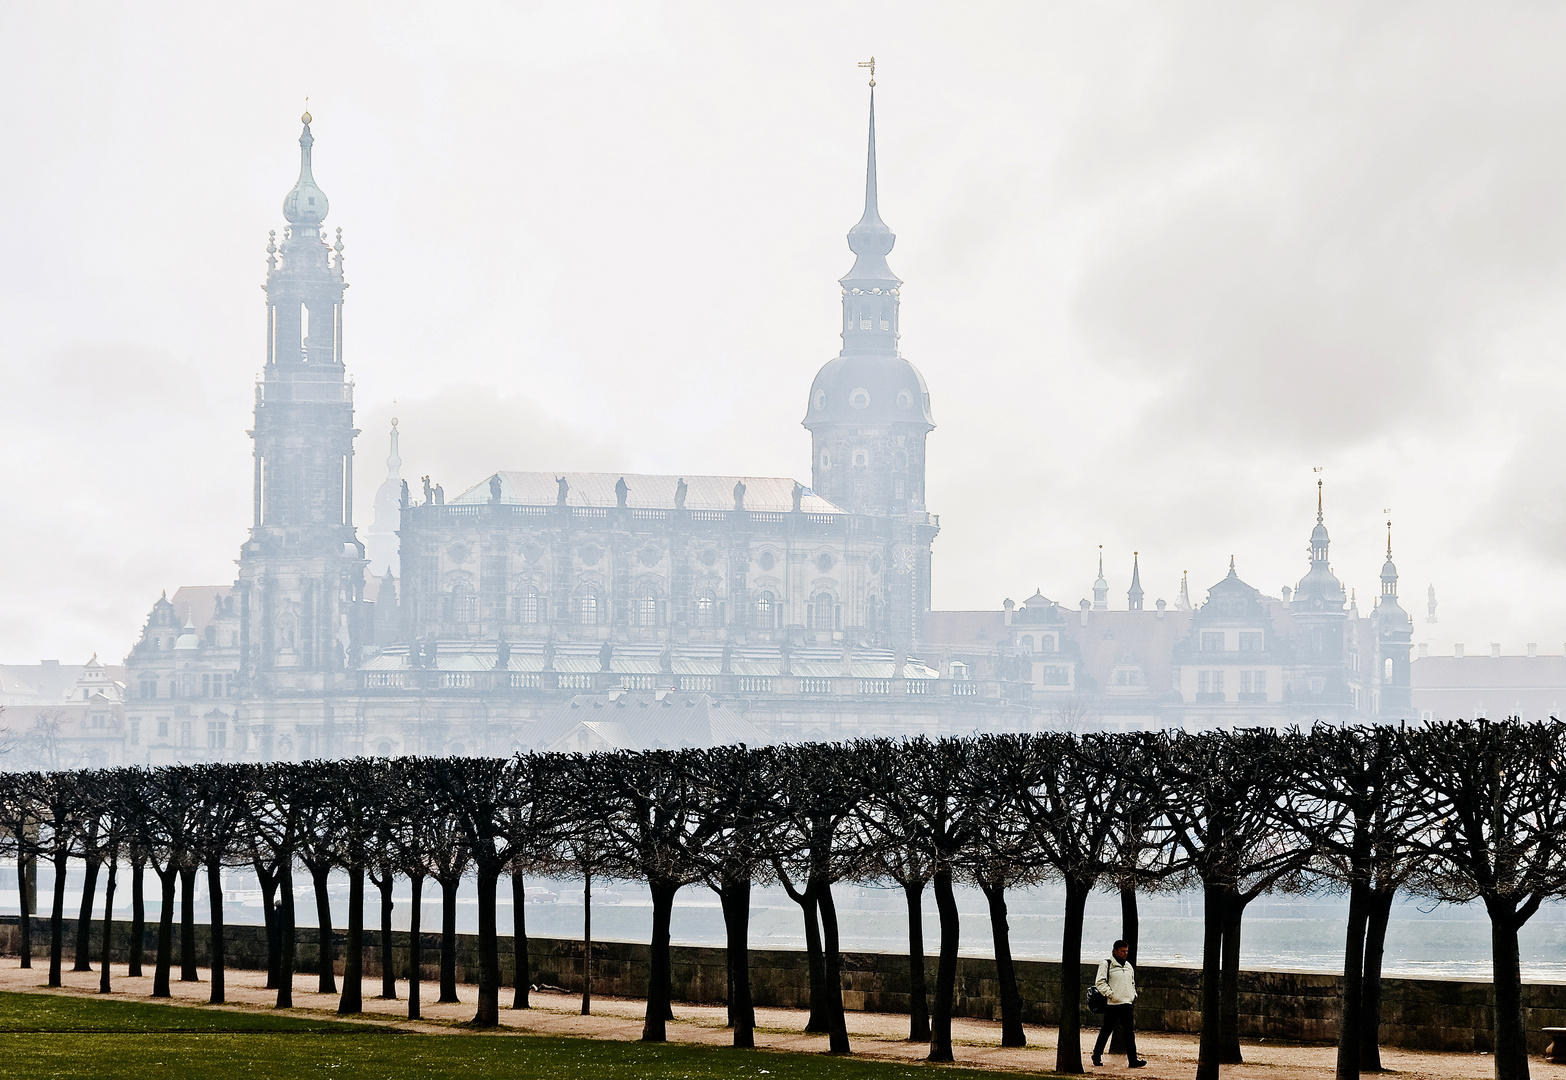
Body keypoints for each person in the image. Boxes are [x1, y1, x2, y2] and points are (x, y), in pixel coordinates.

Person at [1093, 939, 1146, 1068]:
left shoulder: (1128, 966)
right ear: (1115, 951)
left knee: (1129, 1032)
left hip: (1126, 1003)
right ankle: (1097, 1055)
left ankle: (1133, 1060)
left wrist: (1133, 995)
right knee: (1106, 1030)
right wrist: (1111, 994)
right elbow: (1100, 982)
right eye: (1122, 951)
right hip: (1112, 1004)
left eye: (1126, 951)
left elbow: (1132, 982)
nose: (1125, 953)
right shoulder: (1106, 964)